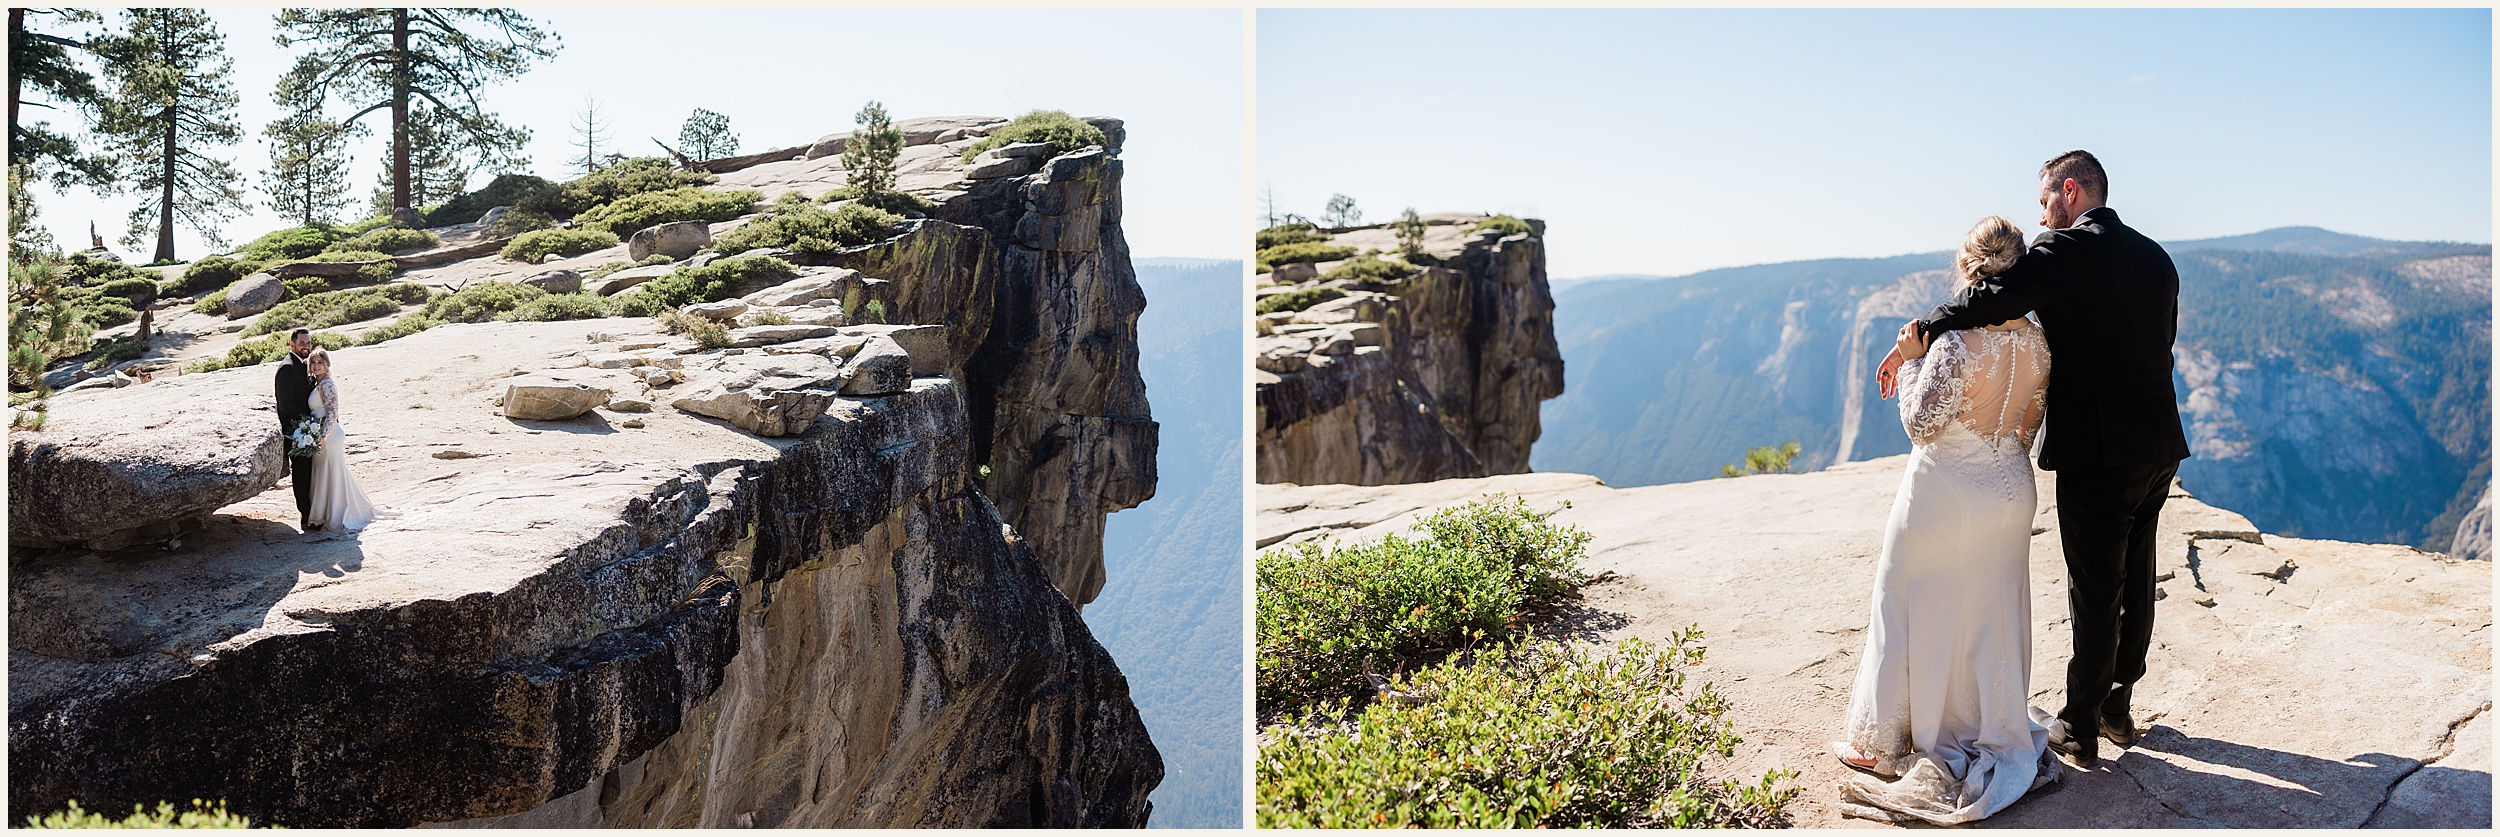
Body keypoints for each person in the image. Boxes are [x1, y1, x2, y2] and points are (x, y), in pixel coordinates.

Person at [1880, 150, 2191, 770]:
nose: (2042, 215)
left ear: (2070, 191)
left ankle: (2079, 723)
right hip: (2157, 443)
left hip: (2098, 451)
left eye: (2046, 200)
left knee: (2096, 588)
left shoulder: (2063, 252)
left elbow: (1990, 299)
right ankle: (2118, 700)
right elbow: (2163, 342)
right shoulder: (2157, 258)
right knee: (2137, 576)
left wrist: (1921, 330)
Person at [1832, 216, 2053, 824]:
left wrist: (1908, 362)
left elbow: (1921, 425)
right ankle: (1987, 718)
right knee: (1991, 606)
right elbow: (2030, 422)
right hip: (2012, 484)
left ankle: (1885, 741)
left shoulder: (1955, 343)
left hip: (1946, 488)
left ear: (1968, 268)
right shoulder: (2037, 341)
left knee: (1906, 595)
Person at [302, 347, 378, 532]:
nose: (316, 365)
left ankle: (338, 515)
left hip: (328, 436)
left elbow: (332, 413)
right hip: (318, 434)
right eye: (313, 362)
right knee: (324, 474)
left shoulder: (327, 385)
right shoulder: (316, 383)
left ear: (327, 364)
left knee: (332, 473)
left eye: (320, 362)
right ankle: (323, 514)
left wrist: (321, 436)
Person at [275, 328, 319, 531]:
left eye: (308, 343)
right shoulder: (287, 368)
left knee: (311, 472)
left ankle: (315, 512)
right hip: (296, 432)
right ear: (292, 344)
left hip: (306, 430)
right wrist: (306, 424)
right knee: (301, 474)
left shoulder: (304, 365)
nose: (306, 346)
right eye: (302, 343)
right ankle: (306, 516)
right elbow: (285, 405)